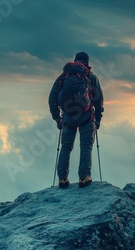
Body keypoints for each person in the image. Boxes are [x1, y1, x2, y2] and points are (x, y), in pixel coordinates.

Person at [49, 52, 104, 188]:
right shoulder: (91, 77)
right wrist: (97, 120)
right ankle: (84, 178)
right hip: (86, 117)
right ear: (87, 63)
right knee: (86, 146)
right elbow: (98, 101)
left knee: (66, 147)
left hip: (68, 117)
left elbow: (52, 99)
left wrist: (57, 118)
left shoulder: (63, 77)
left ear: (75, 61)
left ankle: (62, 179)